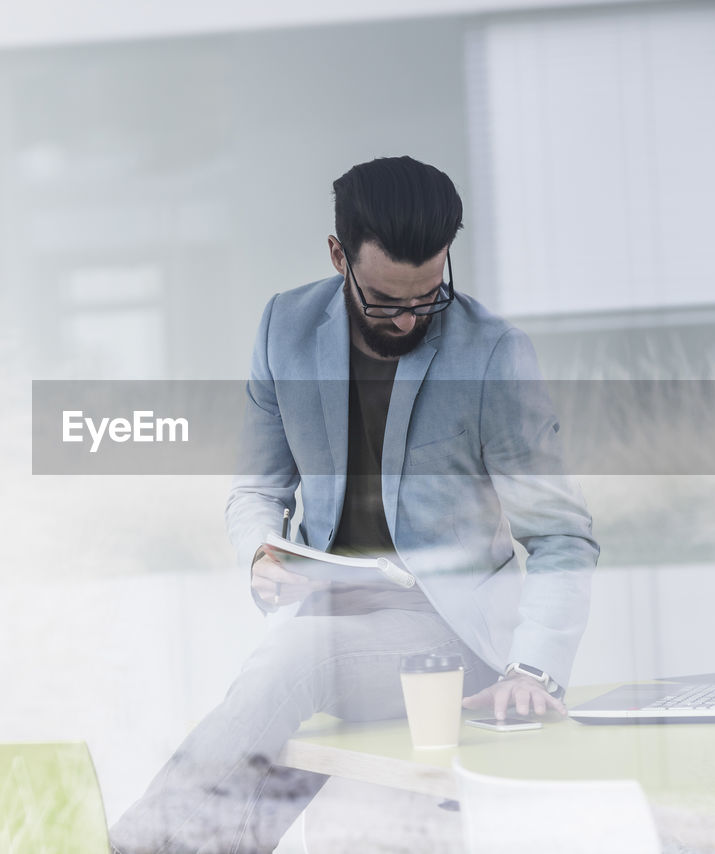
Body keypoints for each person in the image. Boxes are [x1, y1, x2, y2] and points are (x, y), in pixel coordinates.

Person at [109, 155, 598, 854]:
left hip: (451, 641)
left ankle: (135, 848)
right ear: (339, 256)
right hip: (330, 616)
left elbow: (561, 537)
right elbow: (257, 488)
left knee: (306, 652)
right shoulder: (284, 328)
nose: (408, 320)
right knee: (298, 668)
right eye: (385, 300)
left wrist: (534, 669)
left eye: (427, 296)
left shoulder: (492, 355)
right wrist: (260, 553)